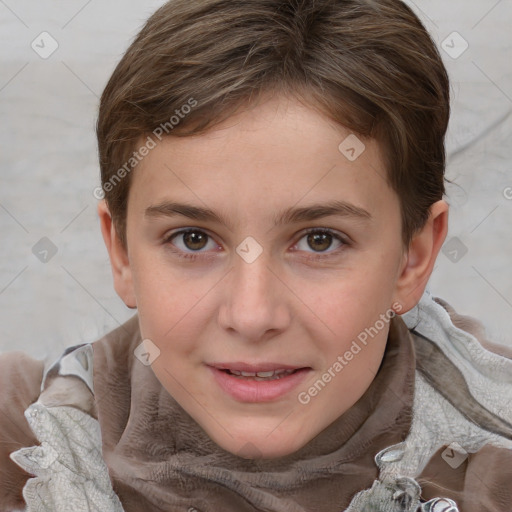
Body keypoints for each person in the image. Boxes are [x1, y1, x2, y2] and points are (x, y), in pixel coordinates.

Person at [1, 0, 511, 511]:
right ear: (122, 254)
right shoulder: (21, 442)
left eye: (319, 240)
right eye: (194, 239)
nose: (252, 316)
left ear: (412, 258)